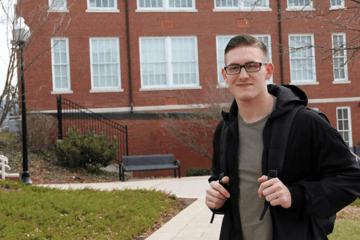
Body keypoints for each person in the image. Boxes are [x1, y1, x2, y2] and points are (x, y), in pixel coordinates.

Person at [205, 34, 360, 240]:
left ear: (268, 70)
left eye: (252, 66)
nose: (242, 75)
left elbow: (351, 177)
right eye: (234, 68)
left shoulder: (306, 123)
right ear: (225, 75)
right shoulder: (224, 130)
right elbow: (223, 181)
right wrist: (217, 196)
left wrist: (294, 195)